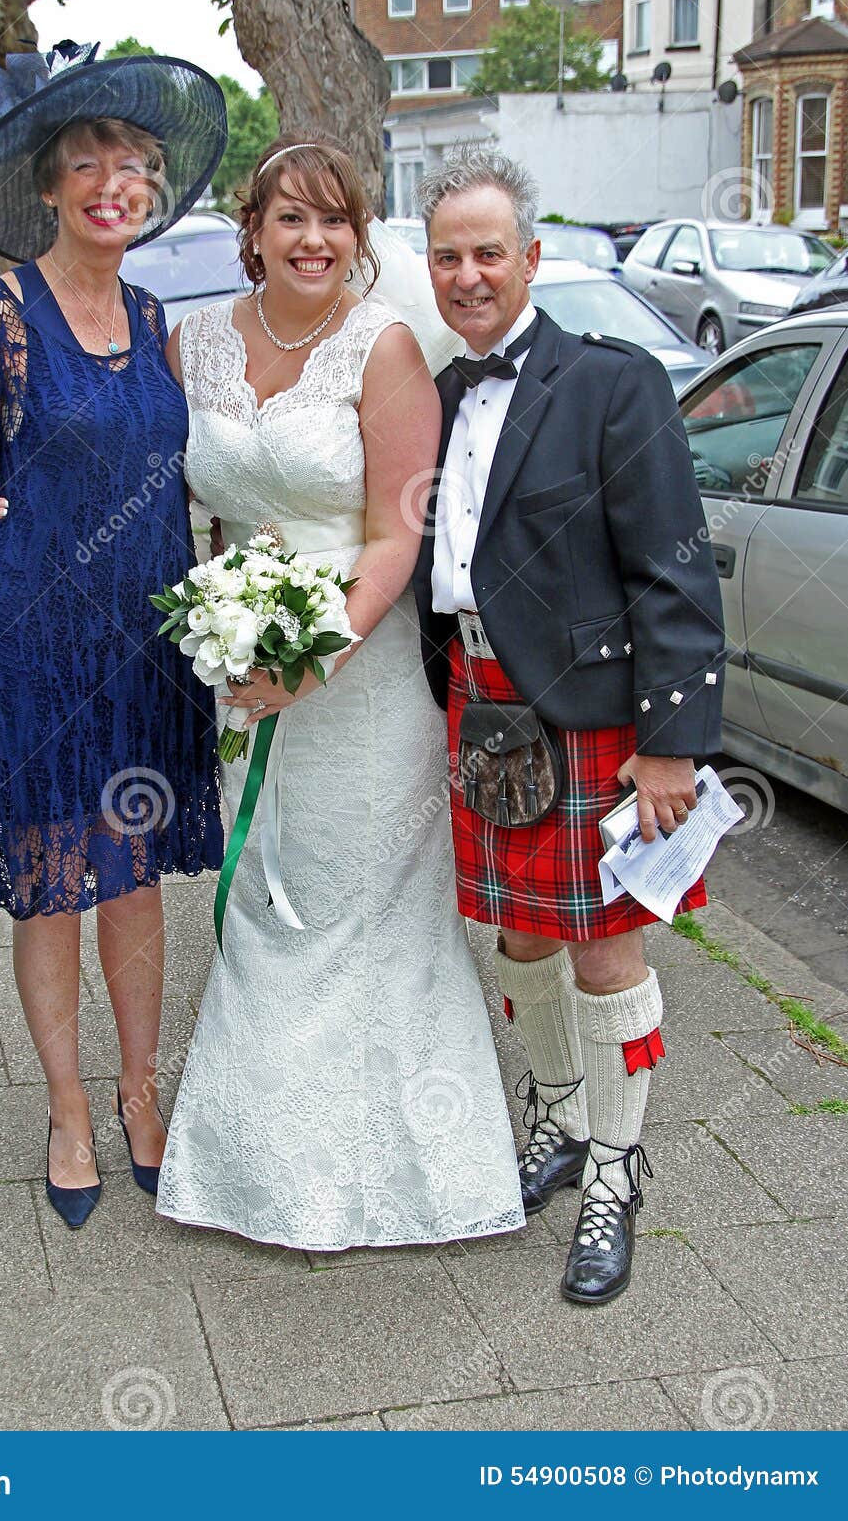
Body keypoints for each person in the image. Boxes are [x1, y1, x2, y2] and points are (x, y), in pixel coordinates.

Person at [149, 133, 524, 1250]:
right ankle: (256, 1168)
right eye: (288, 219)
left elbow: (393, 538)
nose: (312, 240)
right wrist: (227, 637)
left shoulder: (384, 348)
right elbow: (192, 507)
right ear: (251, 232)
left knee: (363, 917)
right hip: (243, 668)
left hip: (355, 684)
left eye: (333, 220)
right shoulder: (194, 344)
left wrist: (305, 658)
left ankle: (410, 1176)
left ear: (358, 237)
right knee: (268, 902)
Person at [0, 43, 228, 1230]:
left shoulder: (153, 316)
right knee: (48, 887)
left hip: (141, 647)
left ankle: (142, 1093)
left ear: (147, 187)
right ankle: (66, 1109)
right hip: (31, 644)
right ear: (47, 187)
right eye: (86, 163)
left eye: (130, 164)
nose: (112, 182)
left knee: (133, 883)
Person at [411, 146, 726, 1304]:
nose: (467, 273)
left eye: (487, 251)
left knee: (606, 947)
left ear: (530, 258)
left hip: (590, 715)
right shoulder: (436, 398)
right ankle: (552, 1111)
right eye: (446, 255)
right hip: (478, 706)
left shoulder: (610, 382)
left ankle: (613, 1167)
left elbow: (671, 568)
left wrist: (671, 740)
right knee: (521, 940)